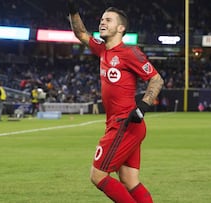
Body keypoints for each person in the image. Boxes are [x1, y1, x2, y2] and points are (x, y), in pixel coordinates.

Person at [68, 2, 164, 202]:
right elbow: (80, 33)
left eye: (108, 20)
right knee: (129, 180)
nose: (102, 22)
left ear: (121, 28)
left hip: (125, 123)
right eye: (102, 19)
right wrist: (73, 10)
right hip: (118, 124)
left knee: (98, 175)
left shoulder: (130, 53)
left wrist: (143, 106)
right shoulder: (102, 49)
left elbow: (156, 79)